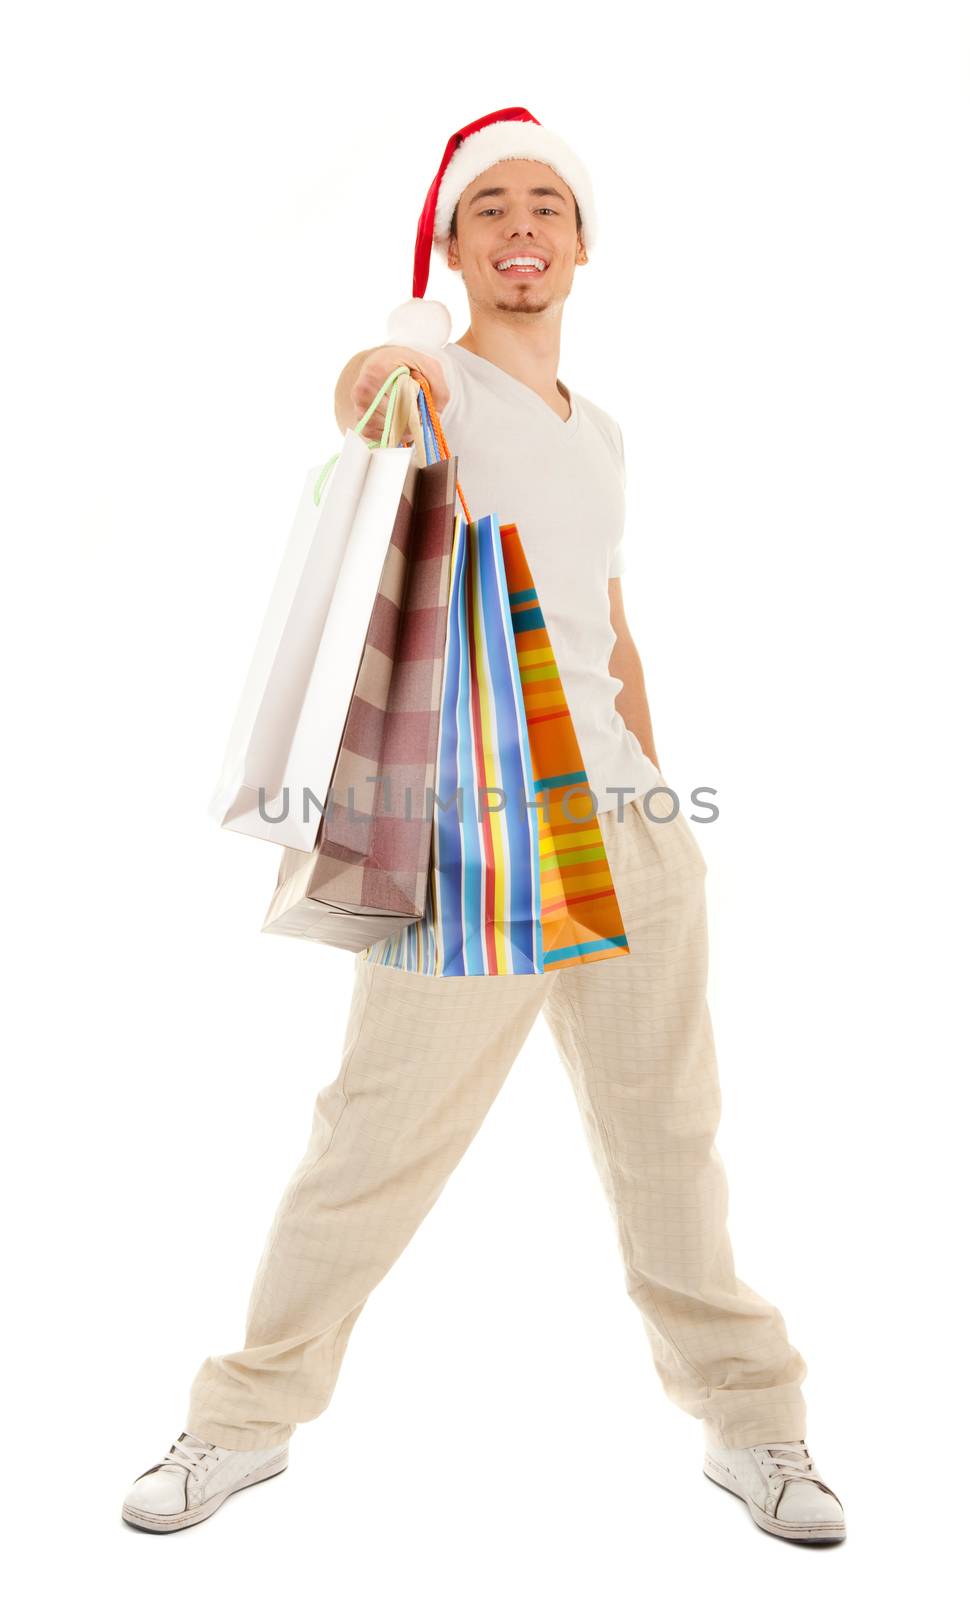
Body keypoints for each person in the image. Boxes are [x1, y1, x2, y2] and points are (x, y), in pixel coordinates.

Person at [122, 107, 845, 1543]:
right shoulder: (435, 382)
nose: (521, 227)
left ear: (582, 247)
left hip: (627, 824)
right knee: (375, 1138)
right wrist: (390, 352)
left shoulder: (607, 433)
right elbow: (364, 387)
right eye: (489, 209)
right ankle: (237, 1424)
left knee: (669, 1139)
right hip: (475, 839)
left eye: (547, 208)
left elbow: (612, 622)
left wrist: (653, 794)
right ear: (453, 246)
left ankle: (755, 1430)